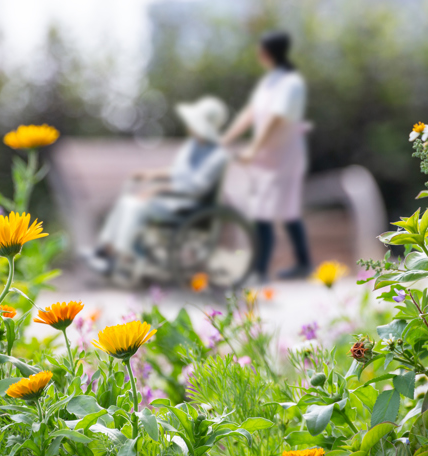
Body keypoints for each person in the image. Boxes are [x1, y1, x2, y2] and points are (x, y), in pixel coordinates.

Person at [90, 96, 229, 274]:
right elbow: (177, 172)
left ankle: (122, 258)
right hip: (171, 200)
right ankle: (106, 249)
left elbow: (196, 187)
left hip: (187, 206)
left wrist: (159, 189)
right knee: (127, 201)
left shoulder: (217, 156)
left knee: (136, 207)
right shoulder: (192, 147)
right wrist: (151, 174)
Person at [221, 30, 312, 282]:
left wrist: (253, 148)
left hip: (284, 155)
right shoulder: (270, 81)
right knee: (277, 210)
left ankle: (261, 270)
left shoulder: (291, 83)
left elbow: (275, 118)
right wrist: (226, 139)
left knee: (274, 210)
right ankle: (300, 264)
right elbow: (251, 113)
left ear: (270, 52)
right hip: (268, 155)